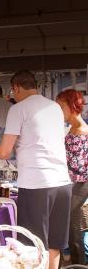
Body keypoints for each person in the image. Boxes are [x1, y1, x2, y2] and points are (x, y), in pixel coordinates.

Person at [0, 70, 72, 269]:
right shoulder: (55, 107)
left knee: (33, 245)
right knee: (55, 243)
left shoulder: (18, 109)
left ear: (17, 88)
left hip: (36, 182)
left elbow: (4, 152)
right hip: (62, 182)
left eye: (13, 92)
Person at [56, 89, 88, 265]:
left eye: (61, 106)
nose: (59, 110)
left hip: (81, 183)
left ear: (71, 105)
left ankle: (66, 262)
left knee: (65, 220)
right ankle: (78, 264)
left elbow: (79, 165)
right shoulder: (72, 129)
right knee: (72, 225)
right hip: (71, 183)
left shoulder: (83, 130)